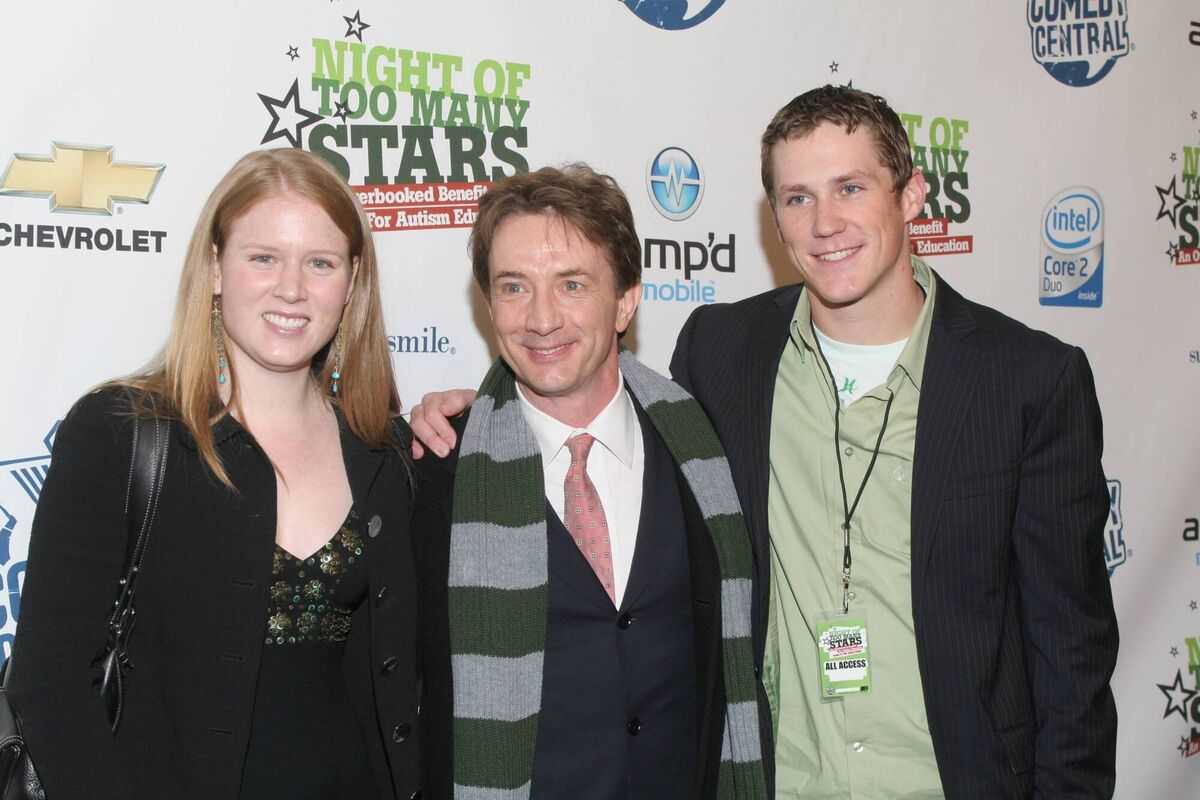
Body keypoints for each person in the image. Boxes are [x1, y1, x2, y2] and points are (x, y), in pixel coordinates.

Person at [411, 86, 1119, 799]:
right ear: (773, 215)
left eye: (850, 187)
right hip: (784, 782)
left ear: (910, 197)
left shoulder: (1028, 380)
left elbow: (1071, 655)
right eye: (797, 198)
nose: (825, 223)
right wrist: (481, 410)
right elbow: (575, 385)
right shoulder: (723, 357)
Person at [9, 148, 422, 799]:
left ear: (352, 281)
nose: (292, 287)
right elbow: (49, 685)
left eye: (320, 262)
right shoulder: (121, 432)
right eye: (263, 257)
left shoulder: (382, 450)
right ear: (215, 268)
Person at [410, 164, 769, 800]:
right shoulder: (438, 472)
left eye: (571, 284)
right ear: (488, 303)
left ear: (626, 299)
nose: (541, 319)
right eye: (514, 287)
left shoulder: (705, 450)